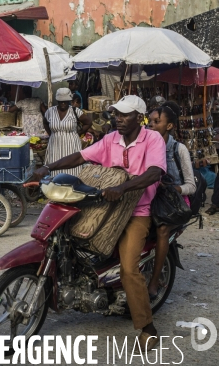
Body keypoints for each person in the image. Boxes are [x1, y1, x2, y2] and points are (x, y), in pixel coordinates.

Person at [32, 95, 166, 351]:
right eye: (116, 114)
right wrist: (47, 167)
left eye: (125, 114)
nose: (119, 118)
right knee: (68, 238)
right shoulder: (110, 139)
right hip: (103, 205)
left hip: (137, 210)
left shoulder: (152, 138)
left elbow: (154, 172)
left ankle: (148, 328)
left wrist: (123, 187)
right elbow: (81, 157)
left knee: (129, 269)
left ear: (140, 117)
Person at [147, 102, 196, 300]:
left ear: (169, 126)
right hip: (150, 199)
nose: (151, 125)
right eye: (149, 121)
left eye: (157, 122)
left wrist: (172, 188)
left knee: (162, 230)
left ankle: (154, 281)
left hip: (173, 204)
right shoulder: (145, 145)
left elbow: (191, 186)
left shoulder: (179, 149)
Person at [43, 88, 92, 176]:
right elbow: (45, 123)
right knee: (55, 170)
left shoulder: (75, 111)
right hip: (55, 146)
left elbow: (88, 122)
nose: (63, 103)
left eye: (65, 101)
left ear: (69, 100)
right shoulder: (50, 112)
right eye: (61, 101)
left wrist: (79, 132)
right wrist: (52, 134)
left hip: (71, 145)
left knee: (72, 170)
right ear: (57, 100)